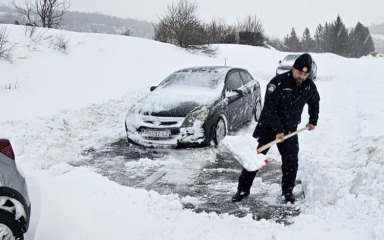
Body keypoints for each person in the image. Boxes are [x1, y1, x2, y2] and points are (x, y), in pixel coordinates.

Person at [232, 53, 320, 204]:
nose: (302, 76)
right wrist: (278, 129)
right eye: (299, 73)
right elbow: (269, 109)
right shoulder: (277, 83)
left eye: (305, 74)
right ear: (293, 69)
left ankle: (287, 192)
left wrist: (313, 120)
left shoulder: (309, 86)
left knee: (291, 162)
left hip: (291, 130)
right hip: (269, 127)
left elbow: (315, 102)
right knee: (254, 159)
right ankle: (242, 190)